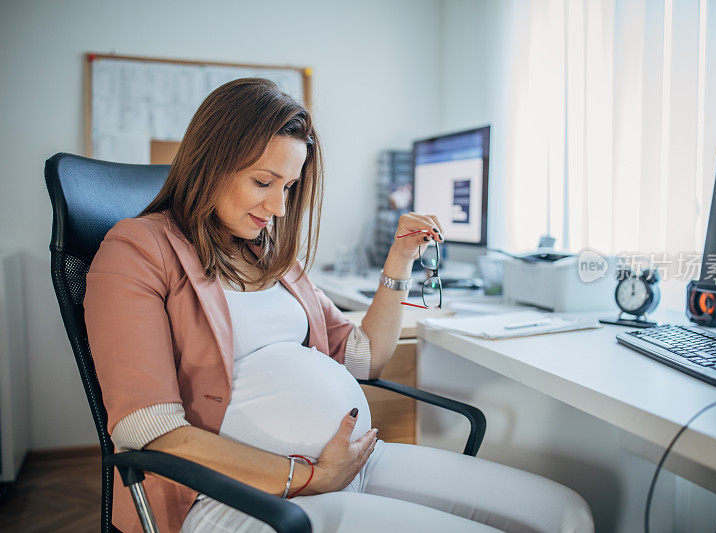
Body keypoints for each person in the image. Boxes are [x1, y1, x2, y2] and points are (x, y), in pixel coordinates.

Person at [84, 78, 594, 533]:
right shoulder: (138, 250)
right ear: (209, 164)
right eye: (263, 182)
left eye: (289, 187)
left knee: (565, 513)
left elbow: (363, 355)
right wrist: (307, 475)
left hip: (351, 466)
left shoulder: (268, 257)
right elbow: (148, 430)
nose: (279, 208)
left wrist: (400, 258)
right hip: (238, 497)